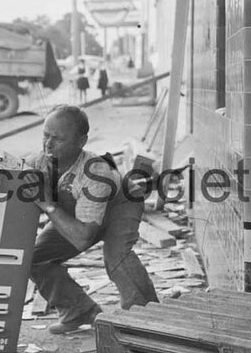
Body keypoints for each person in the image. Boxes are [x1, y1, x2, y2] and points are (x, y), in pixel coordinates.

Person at [25, 105, 158, 335]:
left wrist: (47, 204)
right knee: (33, 258)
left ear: (81, 141)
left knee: (117, 257)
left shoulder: (95, 173)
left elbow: (82, 238)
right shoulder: (38, 162)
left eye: (58, 139)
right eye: (46, 134)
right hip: (82, 211)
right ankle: (78, 311)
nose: (48, 144)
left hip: (121, 205)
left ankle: (148, 323)